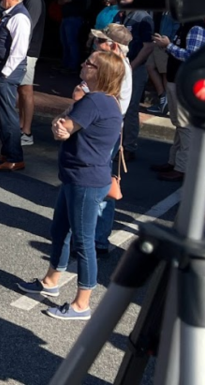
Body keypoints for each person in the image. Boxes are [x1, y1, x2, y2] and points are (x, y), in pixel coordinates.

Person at [16, 50, 125, 321]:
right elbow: (61, 128)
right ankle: (51, 281)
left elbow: (63, 130)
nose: (83, 64)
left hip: (85, 180)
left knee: (83, 240)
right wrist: (64, 122)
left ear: (101, 74)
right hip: (78, 177)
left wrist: (67, 116)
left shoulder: (93, 101)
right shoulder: (104, 101)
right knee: (60, 229)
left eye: (90, 64)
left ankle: (81, 304)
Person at [86, 23, 133, 257]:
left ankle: (96, 238)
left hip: (105, 131)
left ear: (114, 46)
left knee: (99, 181)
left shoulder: (117, 68)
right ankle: (96, 237)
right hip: (108, 129)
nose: (96, 44)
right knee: (100, 179)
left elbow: (104, 101)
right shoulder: (117, 65)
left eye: (100, 41)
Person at [150, 19, 205, 182]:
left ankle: (182, 168)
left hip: (184, 83)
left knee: (185, 126)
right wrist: (167, 45)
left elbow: (192, 56)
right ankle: (174, 162)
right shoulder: (187, 27)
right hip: (176, 81)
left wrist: (168, 45)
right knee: (179, 125)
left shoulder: (196, 28)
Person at [0, 0, 32, 172]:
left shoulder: (20, 17)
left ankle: (15, 157)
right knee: (0, 112)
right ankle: (7, 151)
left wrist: (5, 73)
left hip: (7, 71)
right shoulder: (10, 15)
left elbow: (19, 50)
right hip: (0, 69)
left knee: (7, 114)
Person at [115, 0, 153, 161]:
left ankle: (129, 146)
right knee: (115, 104)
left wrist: (132, 65)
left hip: (134, 69)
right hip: (117, 66)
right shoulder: (121, 15)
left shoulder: (143, 17)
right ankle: (116, 143)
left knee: (130, 107)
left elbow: (148, 46)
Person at [9, 0, 46, 146]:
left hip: (29, 51)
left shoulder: (34, 0)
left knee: (26, 89)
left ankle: (27, 131)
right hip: (26, 50)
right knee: (22, 90)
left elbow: (27, 26)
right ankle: (22, 126)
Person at [58, 0, 91, 73]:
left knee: (72, 42)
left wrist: (64, 0)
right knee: (65, 42)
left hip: (75, 18)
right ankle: (65, 64)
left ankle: (72, 66)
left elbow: (66, 0)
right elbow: (61, 0)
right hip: (66, 17)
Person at [145, 11, 178, 116]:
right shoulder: (164, 10)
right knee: (150, 66)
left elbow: (176, 26)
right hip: (158, 42)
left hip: (166, 44)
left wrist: (170, 42)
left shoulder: (174, 11)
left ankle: (166, 103)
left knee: (164, 72)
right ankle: (162, 96)